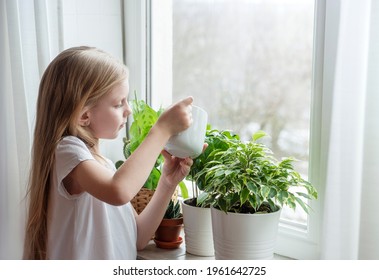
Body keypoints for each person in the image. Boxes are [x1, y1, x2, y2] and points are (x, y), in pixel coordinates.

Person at [23, 46, 195, 260]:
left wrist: (167, 184)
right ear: (84, 116)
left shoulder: (104, 166)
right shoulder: (67, 151)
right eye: (118, 103)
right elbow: (119, 190)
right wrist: (161, 129)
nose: (128, 109)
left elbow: (138, 237)